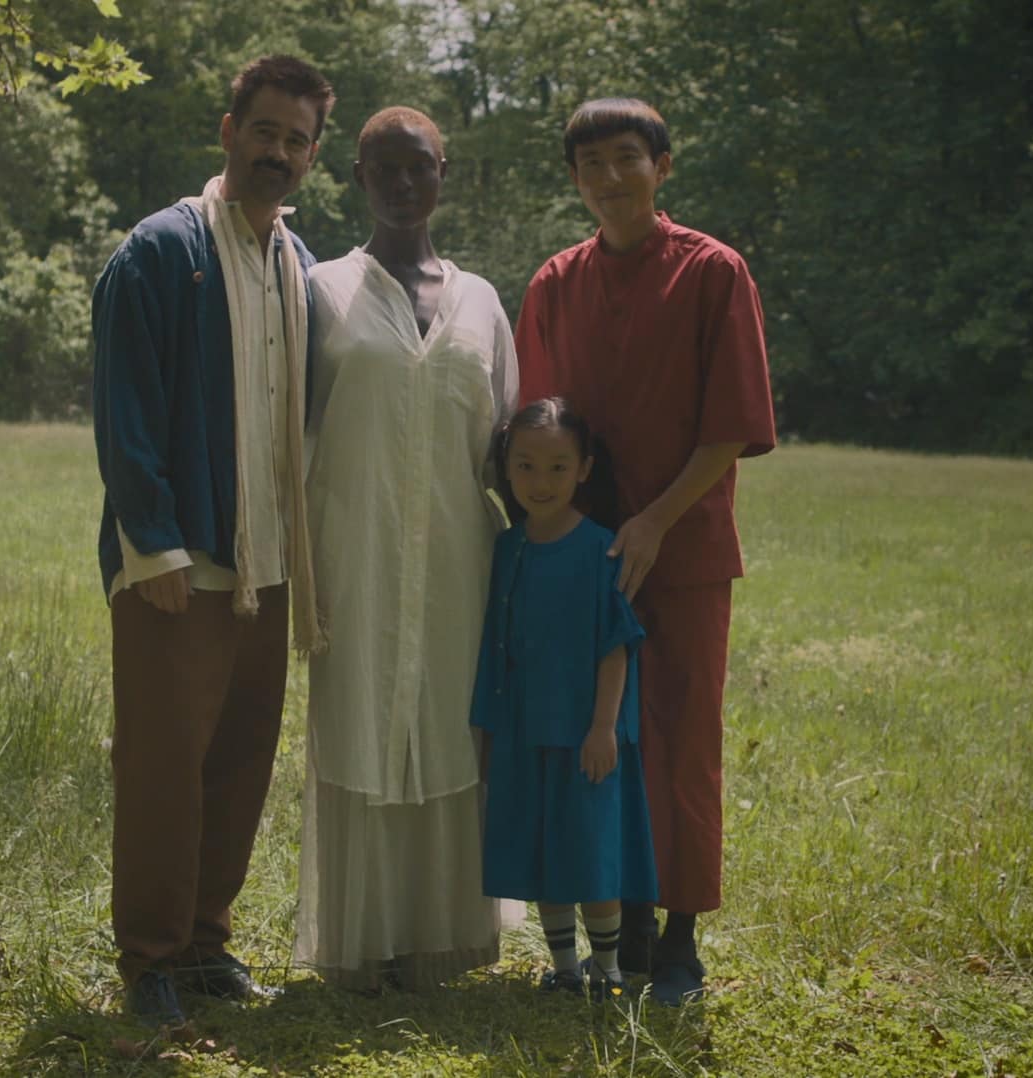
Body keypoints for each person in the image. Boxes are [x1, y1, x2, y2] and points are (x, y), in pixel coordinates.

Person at [513, 98, 777, 1006]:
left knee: (679, 739)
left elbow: (733, 424)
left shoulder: (712, 273)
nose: (610, 178)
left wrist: (658, 520)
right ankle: (613, 935)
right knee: (603, 739)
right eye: (591, 164)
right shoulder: (554, 282)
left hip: (685, 547)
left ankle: (680, 944)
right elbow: (536, 427)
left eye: (628, 158)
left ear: (663, 167)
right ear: (575, 179)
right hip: (585, 558)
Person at [90, 54, 335, 1026]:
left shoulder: (297, 262)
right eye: (264, 130)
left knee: (238, 761)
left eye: (297, 140)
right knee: (162, 765)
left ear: (311, 154)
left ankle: (202, 945)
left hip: (268, 562)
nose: (278, 152)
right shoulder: (159, 251)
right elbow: (125, 408)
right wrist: (151, 543)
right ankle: (148, 957)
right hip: (179, 566)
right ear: (227, 130)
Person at [294, 106, 516, 991]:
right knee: (360, 728)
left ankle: (446, 938)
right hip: (355, 553)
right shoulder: (321, 291)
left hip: (462, 560)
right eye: (381, 167)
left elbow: (504, 443)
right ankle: (363, 942)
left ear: (442, 173)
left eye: (416, 165)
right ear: (356, 178)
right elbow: (293, 431)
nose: (400, 181)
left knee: (453, 731)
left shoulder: (483, 300)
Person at [469, 397, 658, 997]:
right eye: (524, 466)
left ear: (584, 468)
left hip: (584, 733)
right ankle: (565, 969)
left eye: (557, 467)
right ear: (506, 466)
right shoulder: (506, 547)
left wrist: (604, 727)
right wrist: (488, 728)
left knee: (589, 849)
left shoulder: (600, 550)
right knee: (542, 847)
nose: (539, 481)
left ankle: (607, 972)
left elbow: (615, 647)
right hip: (525, 726)